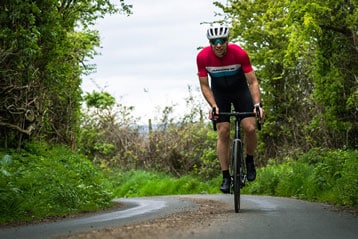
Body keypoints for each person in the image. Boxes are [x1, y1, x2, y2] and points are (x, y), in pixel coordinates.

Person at [196, 24, 264, 193]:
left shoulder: (239, 53)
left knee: (249, 127)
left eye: (222, 40)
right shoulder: (202, 57)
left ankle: (249, 160)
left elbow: (253, 81)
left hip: (240, 91)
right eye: (214, 41)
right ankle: (226, 175)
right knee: (223, 131)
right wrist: (213, 105)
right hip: (220, 94)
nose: (218, 44)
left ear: (227, 41)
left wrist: (257, 105)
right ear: (210, 43)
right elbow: (205, 86)